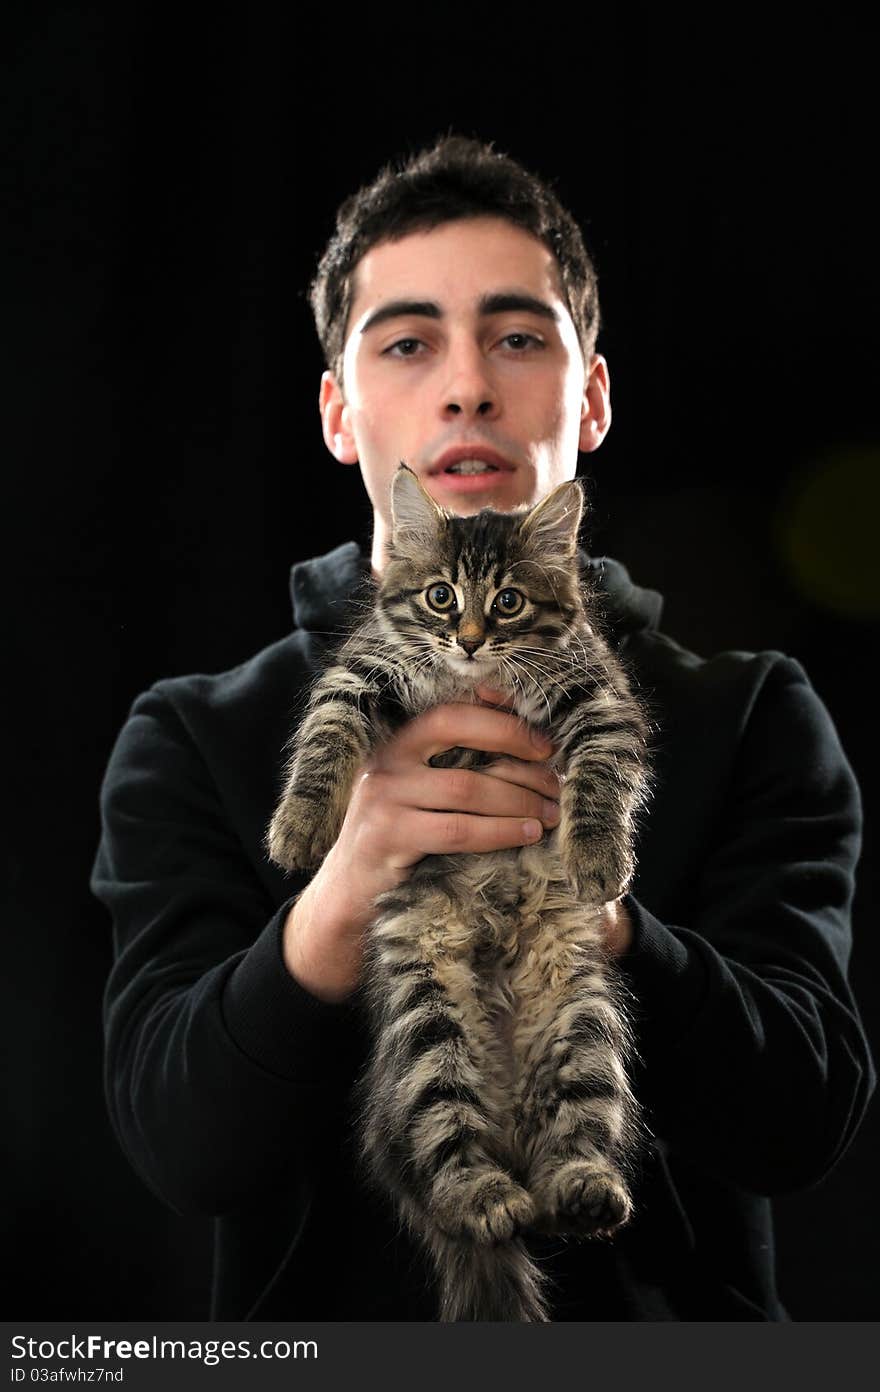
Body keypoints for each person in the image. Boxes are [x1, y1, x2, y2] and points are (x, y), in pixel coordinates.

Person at [91, 135, 875, 1321]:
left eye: (517, 338)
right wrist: (344, 886)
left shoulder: (750, 712)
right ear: (338, 415)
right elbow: (181, 1152)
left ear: (592, 396)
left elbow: (806, 1125)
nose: (467, 386)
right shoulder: (193, 734)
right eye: (407, 344)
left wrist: (609, 924)